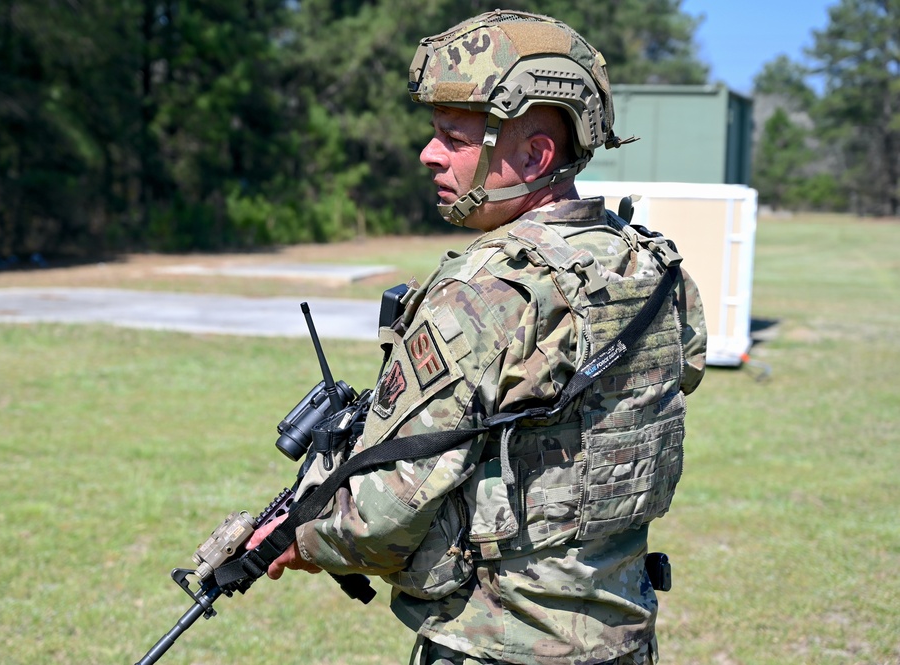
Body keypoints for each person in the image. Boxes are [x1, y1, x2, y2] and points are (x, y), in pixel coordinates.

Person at [247, 10, 707, 665]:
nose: (427, 154)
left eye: (452, 137)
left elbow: (381, 518)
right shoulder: (652, 266)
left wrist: (297, 539)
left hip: (498, 646)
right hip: (622, 639)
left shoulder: (484, 289)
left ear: (533, 154)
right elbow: (673, 379)